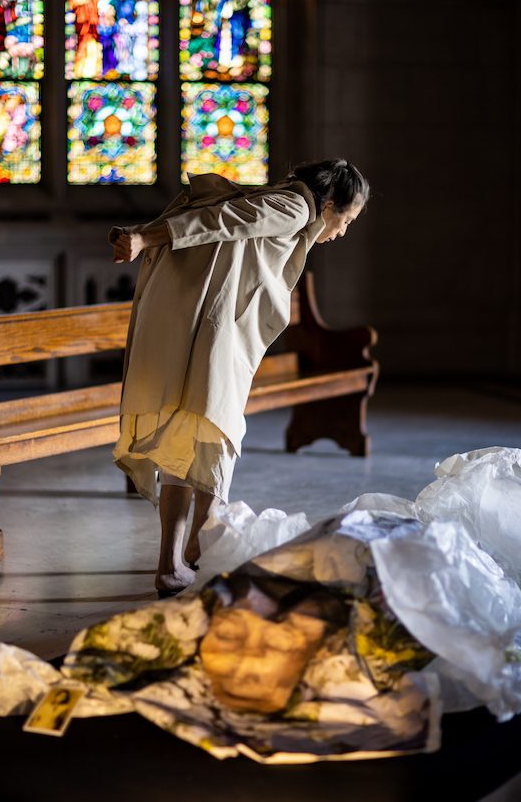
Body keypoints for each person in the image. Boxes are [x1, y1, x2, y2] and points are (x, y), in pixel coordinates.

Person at [109, 159, 369, 597]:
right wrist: (144, 236)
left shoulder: (282, 205)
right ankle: (201, 546)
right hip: (215, 341)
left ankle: (173, 562)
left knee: (189, 436)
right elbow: (221, 219)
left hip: (207, 335)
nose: (342, 232)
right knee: (219, 435)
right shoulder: (295, 208)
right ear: (329, 204)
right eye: (345, 220)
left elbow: (224, 224)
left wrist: (147, 233)